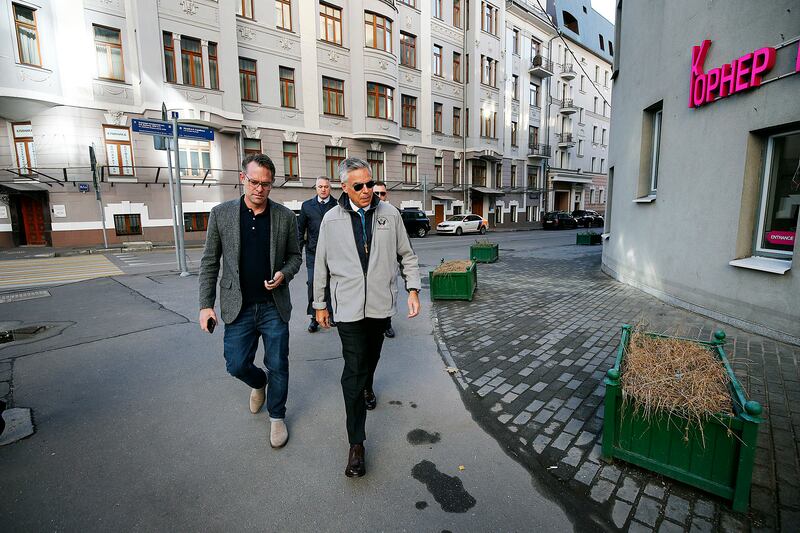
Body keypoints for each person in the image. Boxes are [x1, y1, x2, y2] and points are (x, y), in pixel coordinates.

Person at [313, 157, 421, 478]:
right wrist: (320, 303)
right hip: (347, 309)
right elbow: (321, 264)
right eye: (357, 186)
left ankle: (368, 384)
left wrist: (412, 289)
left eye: (369, 184)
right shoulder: (331, 220)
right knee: (353, 370)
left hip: (379, 306)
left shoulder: (390, 214)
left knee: (370, 358)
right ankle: (356, 444)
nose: (365, 191)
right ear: (344, 187)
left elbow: (407, 255)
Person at [198, 153, 302, 449]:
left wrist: (284, 273)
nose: (259, 189)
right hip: (238, 306)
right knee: (235, 364)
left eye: (266, 184)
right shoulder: (221, 214)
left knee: (278, 364)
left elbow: (295, 256)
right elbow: (209, 262)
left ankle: (277, 417)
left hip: (273, 306)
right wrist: (206, 305)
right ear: (242, 178)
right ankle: (258, 384)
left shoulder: (283, 216)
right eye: (254, 181)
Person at [297, 177, 337, 333]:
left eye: (326, 186)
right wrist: (297, 253)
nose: (323, 189)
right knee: (313, 284)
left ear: (330, 188)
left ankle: (332, 314)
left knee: (332, 284)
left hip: (333, 254)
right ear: (316, 188)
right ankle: (314, 317)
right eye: (320, 186)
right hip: (313, 253)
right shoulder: (307, 206)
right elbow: (300, 231)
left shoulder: (337, 205)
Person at [372, 181, 395, 339]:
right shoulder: (364, 212)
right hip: (370, 266)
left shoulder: (394, 213)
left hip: (387, 266)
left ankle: (387, 325)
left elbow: (403, 245)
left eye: (382, 193)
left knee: (386, 297)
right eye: (376, 193)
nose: (379, 196)